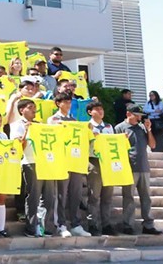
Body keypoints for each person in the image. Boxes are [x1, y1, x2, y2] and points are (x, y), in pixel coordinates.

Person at [46, 91, 91, 237]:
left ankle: (76, 224)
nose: (68, 104)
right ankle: (61, 224)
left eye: (69, 102)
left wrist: (88, 130)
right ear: (58, 103)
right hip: (61, 162)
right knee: (61, 195)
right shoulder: (52, 119)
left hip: (76, 161)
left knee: (76, 194)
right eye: (65, 102)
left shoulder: (74, 120)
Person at [11, 98, 57, 237]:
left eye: (35, 107)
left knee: (49, 197)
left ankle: (44, 226)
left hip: (46, 162)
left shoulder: (39, 125)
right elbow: (18, 146)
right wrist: (27, 131)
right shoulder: (16, 125)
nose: (34, 110)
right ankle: (31, 227)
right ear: (21, 110)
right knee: (34, 196)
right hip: (29, 162)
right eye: (30, 107)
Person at [115, 104, 163, 235]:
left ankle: (148, 224)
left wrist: (149, 130)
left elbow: (152, 145)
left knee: (146, 197)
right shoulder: (119, 128)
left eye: (140, 116)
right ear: (128, 114)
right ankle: (128, 225)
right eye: (136, 115)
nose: (139, 118)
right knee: (128, 197)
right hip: (129, 167)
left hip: (144, 167)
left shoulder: (142, 128)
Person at [86, 100, 117, 236]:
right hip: (94, 160)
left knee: (108, 195)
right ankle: (92, 224)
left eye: (101, 109)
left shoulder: (109, 127)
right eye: (97, 109)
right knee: (94, 195)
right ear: (90, 112)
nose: (100, 111)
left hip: (108, 162)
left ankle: (106, 224)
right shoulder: (86, 127)